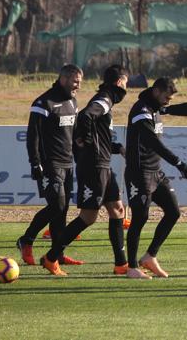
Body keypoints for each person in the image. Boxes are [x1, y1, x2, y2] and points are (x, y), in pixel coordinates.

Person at [41, 65, 132, 276]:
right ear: (119, 82)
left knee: (117, 210)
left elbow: (98, 135)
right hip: (94, 166)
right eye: (126, 84)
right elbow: (85, 117)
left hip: (103, 165)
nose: (126, 89)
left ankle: (121, 265)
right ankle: (51, 257)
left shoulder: (105, 100)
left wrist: (118, 149)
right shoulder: (103, 100)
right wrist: (86, 140)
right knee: (89, 217)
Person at [114, 77, 187, 279]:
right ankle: (132, 267)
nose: (168, 101)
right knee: (140, 218)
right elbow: (153, 143)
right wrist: (178, 162)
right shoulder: (141, 112)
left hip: (156, 173)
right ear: (156, 91)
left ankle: (150, 256)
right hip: (139, 173)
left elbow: (181, 109)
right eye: (167, 97)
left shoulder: (155, 108)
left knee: (173, 212)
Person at [18, 64, 82, 268]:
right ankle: (26, 240)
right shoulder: (43, 102)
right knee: (57, 205)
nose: (77, 86)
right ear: (63, 79)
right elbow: (32, 137)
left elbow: (75, 134)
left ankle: (57, 255)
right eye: (75, 81)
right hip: (50, 164)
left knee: (62, 211)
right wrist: (35, 162)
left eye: (79, 82)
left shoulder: (72, 101)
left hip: (67, 162)